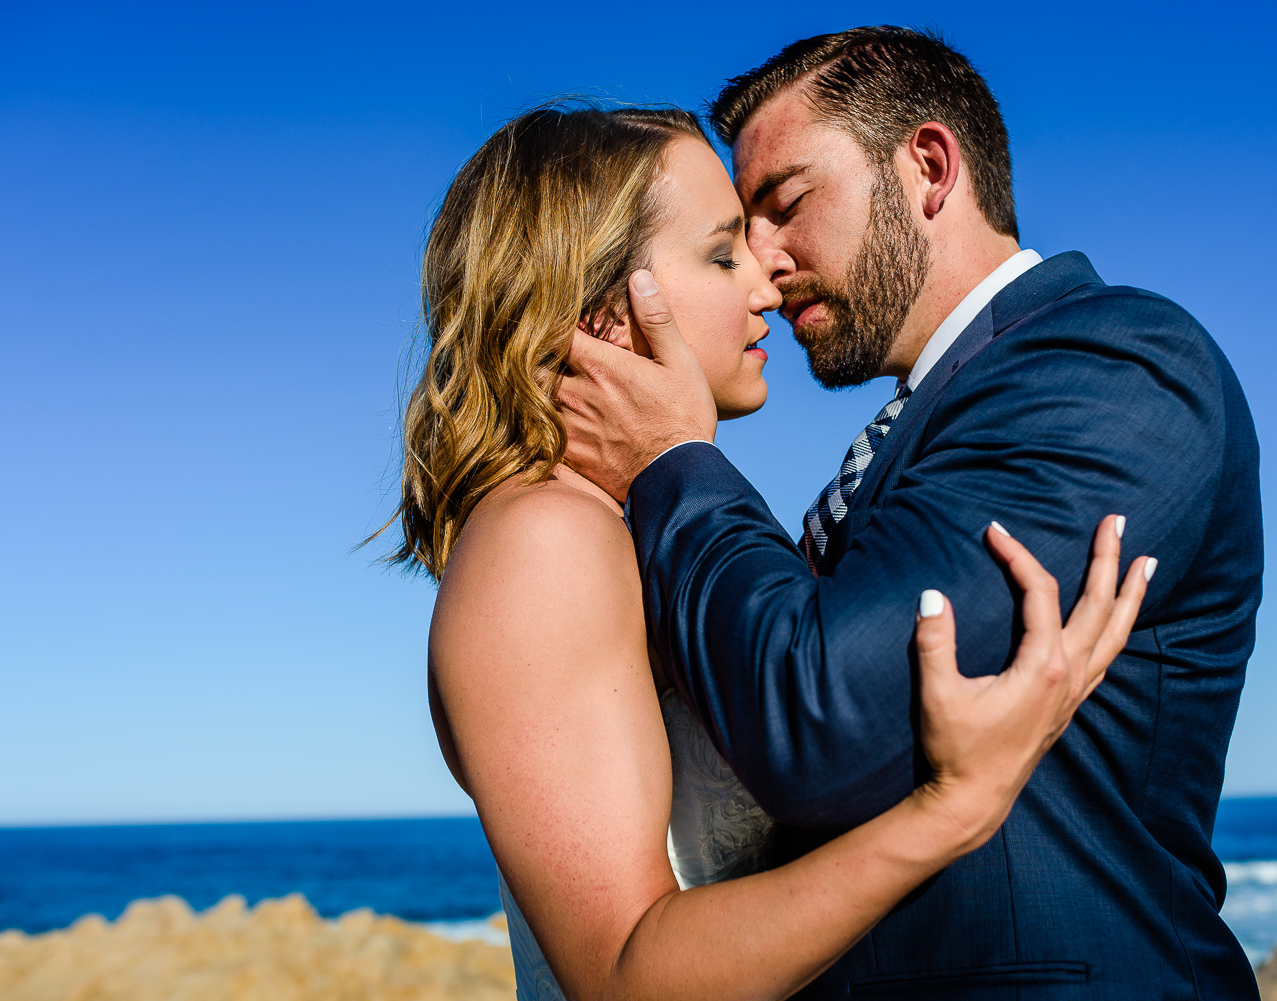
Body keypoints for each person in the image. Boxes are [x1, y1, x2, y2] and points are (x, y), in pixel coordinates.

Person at [381, 103, 1151, 1001]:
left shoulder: (624, 531)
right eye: (720, 254)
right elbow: (628, 975)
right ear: (602, 311)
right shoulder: (544, 540)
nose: (767, 285)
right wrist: (946, 813)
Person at [559, 27, 1265, 1001]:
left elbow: (825, 716)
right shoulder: (933, 422)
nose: (763, 262)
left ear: (929, 166)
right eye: (741, 229)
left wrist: (675, 459)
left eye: (786, 204)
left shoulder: (1112, 363)